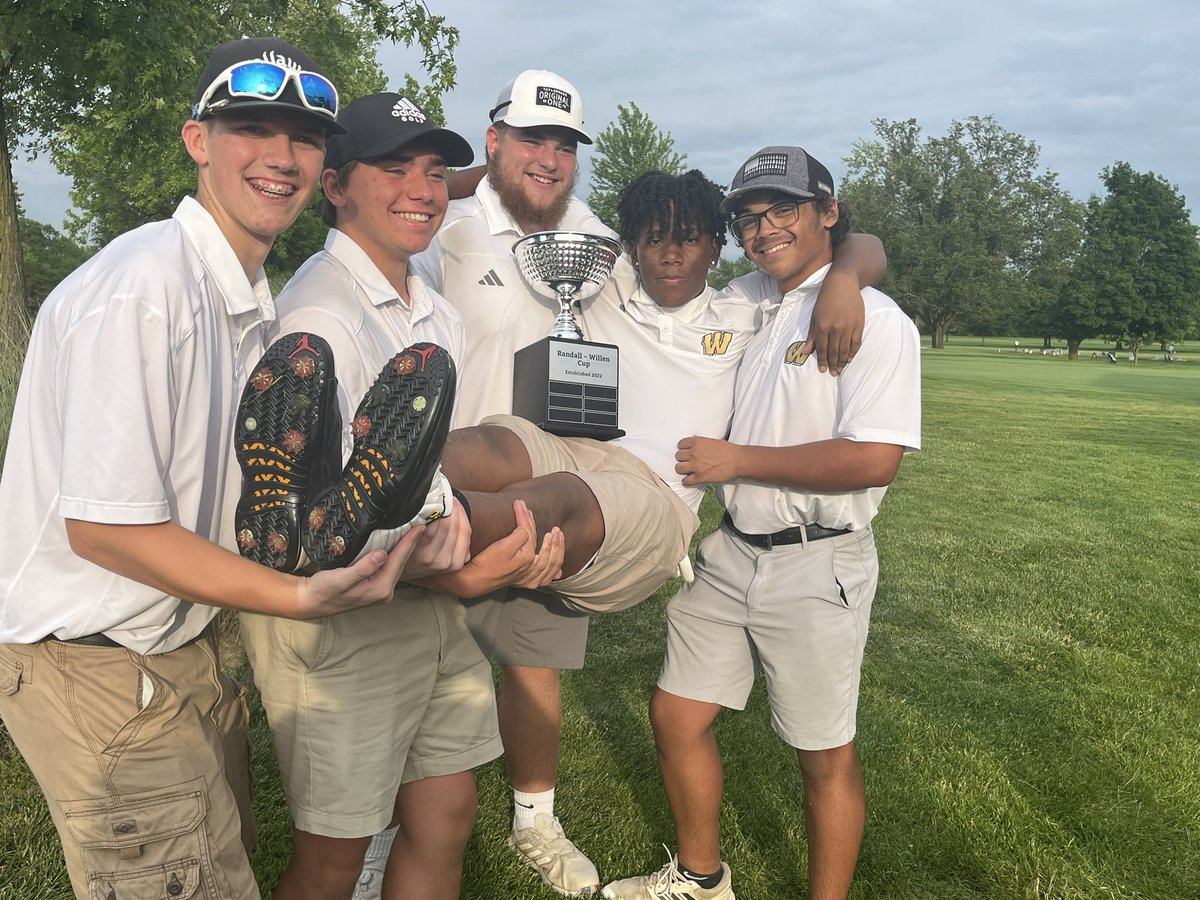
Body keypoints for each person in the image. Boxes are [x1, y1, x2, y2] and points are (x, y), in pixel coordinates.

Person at [410, 70, 888, 896]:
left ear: (716, 244)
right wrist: (437, 174)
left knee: (550, 510)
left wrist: (848, 275)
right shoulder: (607, 273)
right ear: (631, 246)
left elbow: (850, 246)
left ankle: (412, 524)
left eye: (691, 238)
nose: (670, 253)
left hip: (649, 500)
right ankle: (374, 485)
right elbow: (523, 185)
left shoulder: (746, 307)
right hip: (570, 446)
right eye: (654, 239)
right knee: (488, 444)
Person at [0, 38, 434, 900]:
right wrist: (300, 597)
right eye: (253, 129)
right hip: (94, 661)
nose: (281, 157)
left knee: (220, 868)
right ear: (199, 140)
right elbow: (106, 527)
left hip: (179, 644)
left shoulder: (244, 298)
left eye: (304, 139)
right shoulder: (145, 289)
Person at [601, 146, 922, 900]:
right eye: (750, 218)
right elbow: (860, 251)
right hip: (733, 552)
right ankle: (702, 878)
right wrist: (844, 268)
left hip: (817, 560)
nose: (765, 229)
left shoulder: (877, 321)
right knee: (677, 713)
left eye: (785, 211)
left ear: (827, 214)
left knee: (823, 753)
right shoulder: (755, 297)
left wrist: (736, 459)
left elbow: (874, 460)